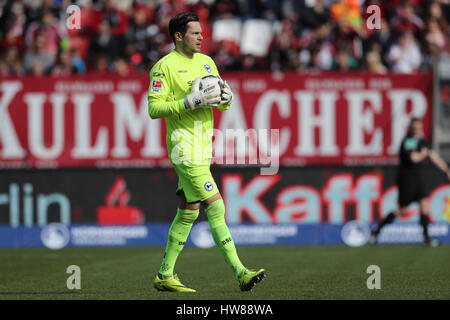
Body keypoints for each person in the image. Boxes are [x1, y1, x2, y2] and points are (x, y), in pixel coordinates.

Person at [147, 12, 265, 293]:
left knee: (189, 210)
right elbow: (154, 108)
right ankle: (241, 272)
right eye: (195, 33)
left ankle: (165, 274)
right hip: (182, 147)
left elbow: (218, 101)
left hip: (203, 148)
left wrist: (226, 99)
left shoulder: (207, 62)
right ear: (178, 36)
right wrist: (188, 102)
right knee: (217, 205)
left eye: (202, 33)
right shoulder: (164, 68)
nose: (202, 37)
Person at [370, 118, 450, 246]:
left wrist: (446, 170)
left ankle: (426, 238)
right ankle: (376, 231)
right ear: (411, 127)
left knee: (425, 205)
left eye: (419, 127)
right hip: (406, 179)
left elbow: (433, 156)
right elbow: (414, 158)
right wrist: (424, 153)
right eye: (415, 127)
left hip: (417, 178)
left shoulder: (422, 141)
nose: (417, 129)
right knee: (403, 210)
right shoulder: (408, 141)